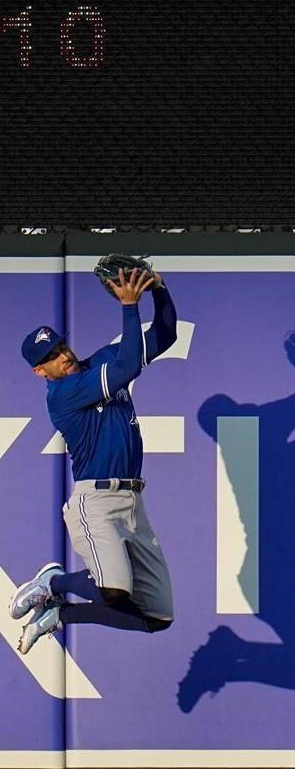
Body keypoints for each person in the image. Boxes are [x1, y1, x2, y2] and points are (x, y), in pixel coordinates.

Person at [11, 266, 178, 654]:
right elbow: (129, 366)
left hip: (134, 503)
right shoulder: (63, 394)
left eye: (61, 347)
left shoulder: (94, 363)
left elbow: (165, 335)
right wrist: (130, 305)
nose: (63, 356)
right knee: (113, 589)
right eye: (51, 357)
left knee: (158, 616)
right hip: (96, 502)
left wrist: (160, 290)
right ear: (41, 371)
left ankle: (59, 615)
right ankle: (52, 583)